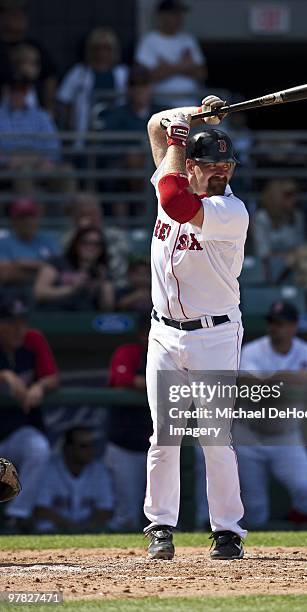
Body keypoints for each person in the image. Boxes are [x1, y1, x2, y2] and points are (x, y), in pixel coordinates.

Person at [143, 94, 248, 560]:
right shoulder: (173, 173)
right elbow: (153, 125)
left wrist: (184, 135)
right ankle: (160, 526)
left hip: (214, 334)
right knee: (163, 433)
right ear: (189, 166)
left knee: (214, 435)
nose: (220, 171)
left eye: (226, 165)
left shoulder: (231, 212)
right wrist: (195, 114)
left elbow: (174, 201)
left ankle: (227, 530)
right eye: (209, 164)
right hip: (163, 332)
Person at [234, 302, 307, 529]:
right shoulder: (252, 351)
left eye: (281, 323)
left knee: (306, 494)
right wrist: (295, 377)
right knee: (254, 509)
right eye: (271, 323)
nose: (275, 328)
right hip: (249, 437)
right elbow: (256, 388)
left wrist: (279, 379)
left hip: (286, 436)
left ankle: (304, 540)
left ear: (294, 326)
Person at [0, 295, 58, 532]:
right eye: (10, 322)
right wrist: (4, 375)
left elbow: (52, 377)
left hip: (15, 431)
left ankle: (18, 515)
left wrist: (40, 386)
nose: (18, 329)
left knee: (38, 447)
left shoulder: (33, 339)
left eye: (22, 322)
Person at [105, 320, 152, 531]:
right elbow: (121, 378)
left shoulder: (174, 353)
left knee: (168, 514)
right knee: (127, 517)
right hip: (126, 446)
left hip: (162, 446)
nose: (148, 336)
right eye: (145, 331)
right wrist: (157, 383)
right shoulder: (129, 352)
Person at [34, 427, 114, 533]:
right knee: (44, 525)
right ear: (68, 448)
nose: (90, 450)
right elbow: (40, 509)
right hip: (56, 528)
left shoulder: (99, 470)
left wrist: (87, 528)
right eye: (83, 446)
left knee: (110, 526)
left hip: (89, 529)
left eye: (91, 445)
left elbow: (106, 509)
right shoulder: (49, 468)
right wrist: (70, 526)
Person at [98, 64, 153, 219]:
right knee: (129, 168)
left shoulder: (162, 112)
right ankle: (130, 226)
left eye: (144, 85)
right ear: (128, 89)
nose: (139, 90)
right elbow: (108, 147)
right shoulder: (116, 115)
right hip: (122, 168)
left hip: (156, 167)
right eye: (134, 85)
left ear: (150, 88)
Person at [57, 27, 128, 141]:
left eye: (107, 48)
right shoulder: (78, 73)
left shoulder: (123, 74)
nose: (102, 53)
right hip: (85, 131)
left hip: (116, 131)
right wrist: (68, 123)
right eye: (97, 48)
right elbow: (63, 100)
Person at [135, 0, 207, 109]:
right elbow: (145, 76)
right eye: (174, 13)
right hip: (160, 104)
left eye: (180, 14)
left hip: (191, 102)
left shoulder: (188, 40)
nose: (180, 18)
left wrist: (168, 68)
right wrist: (185, 66)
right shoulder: (149, 40)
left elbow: (201, 73)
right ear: (162, 16)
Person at [33, 226, 115, 311]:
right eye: (85, 242)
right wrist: (71, 289)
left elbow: (107, 309)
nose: (90, 247)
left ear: (102, 249)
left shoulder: (101, 271)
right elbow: (39, 293)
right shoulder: (57, 263)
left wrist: (102, 284)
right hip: (55, 315)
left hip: (85, 318)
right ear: (76, 244)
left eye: (96, 244)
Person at [63, 191, 131, 289]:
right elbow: (66, 267)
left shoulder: (116, 237)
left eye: (92, 212)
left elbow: (116, 270)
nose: (89, 218)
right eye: (82, 214)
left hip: (115, 287)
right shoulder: (70, 238)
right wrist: (80, 235)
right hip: (77, 289)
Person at [0, 0, 57, 112]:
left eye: (22, 13)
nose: (19, 17)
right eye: (13, 13)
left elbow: (50, 78)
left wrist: (50, 108)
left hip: (32, 114)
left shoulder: (35, 46)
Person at [252, 179, 306, 283]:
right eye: (288, 195)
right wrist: (287, 256)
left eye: (294, 195)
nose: (293, 199)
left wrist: (294, 256)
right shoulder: (262, 218)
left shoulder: (297, 216)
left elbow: (301, 245)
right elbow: (262, 252)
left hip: (296, 265)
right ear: (275, 197)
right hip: (270, 267)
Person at [0, 197, 60, 288]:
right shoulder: (3, 243)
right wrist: (44, 268)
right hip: (14, 293)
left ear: (38, 218)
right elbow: (5, 274)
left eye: (31, 216)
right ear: (13, 220)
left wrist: (20, 264)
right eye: (22, 217)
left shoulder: (49, 240)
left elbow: (60, 268)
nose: (28, 221)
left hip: (49, 294)